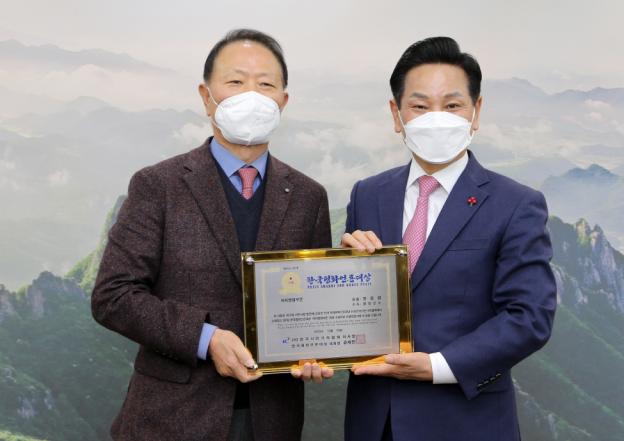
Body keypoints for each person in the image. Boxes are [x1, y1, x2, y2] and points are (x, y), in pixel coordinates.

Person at [91, 29, 332, 441]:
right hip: (171, 419)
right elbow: (113, 296)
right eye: (235, 81)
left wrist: (318, 350)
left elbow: (314, 305)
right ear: (206, 97)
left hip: (272, 419)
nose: (251, 96)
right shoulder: (158, 185)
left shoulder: (309, 196)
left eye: (266, 84)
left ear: (283, 101)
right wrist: (206, 339)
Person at [340, 36, 557, 441]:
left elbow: (529, 317)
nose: (436, 118)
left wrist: (438, 366)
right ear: (396, 114)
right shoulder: (367, 194)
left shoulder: (516, 204)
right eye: (420, 106)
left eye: (452, 105)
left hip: (466, 422)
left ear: (476, 112)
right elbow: (351, 307)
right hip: (374, 421)